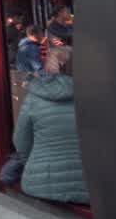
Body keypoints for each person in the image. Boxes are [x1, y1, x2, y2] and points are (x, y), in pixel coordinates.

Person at [13, 47, 88, 204]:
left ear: (48, 66)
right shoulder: (94, 95)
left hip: (39, 186)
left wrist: (32, 163)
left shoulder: (34, 97)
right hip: (87, 187)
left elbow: (20, 140)